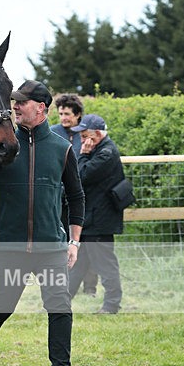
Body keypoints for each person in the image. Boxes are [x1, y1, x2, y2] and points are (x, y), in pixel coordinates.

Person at [0, 80, 85, 366]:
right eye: (14, 101)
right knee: (2, 304)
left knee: (59, 305)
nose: (15, 106)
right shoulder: (3, 144)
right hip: (8, 245)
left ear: (40, 108)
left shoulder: (62, 148)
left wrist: (74, 241)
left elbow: (77, 197)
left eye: (21, 102)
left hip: (50, 246)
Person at [67, 113, 124, 314]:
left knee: (105, 265)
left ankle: (112, 305)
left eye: (85, 136)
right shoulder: (99, 150)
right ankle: (59, 303)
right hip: (92, 218)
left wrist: (83, 154)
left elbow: (80, 176)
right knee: (77, 264)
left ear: (97, 134)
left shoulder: (105, 154)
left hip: (100, 220)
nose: (82, 140)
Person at [51, 93, 98, 298]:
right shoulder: (53, 132)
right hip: (59, 197)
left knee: (86, 244)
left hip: (82, 197)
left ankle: (90, 287)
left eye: (67, 114)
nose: (63, 118)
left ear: (78, 115)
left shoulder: (86, 135)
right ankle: (65, 284)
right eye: (61, 114)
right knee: (63, 241)